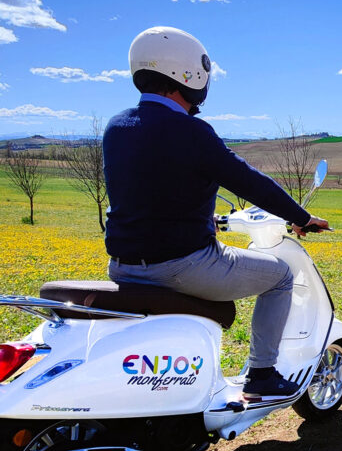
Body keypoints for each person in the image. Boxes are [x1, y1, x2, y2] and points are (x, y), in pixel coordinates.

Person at [103, 26, 329, 400]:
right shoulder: (191, 131)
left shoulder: (117, 127)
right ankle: (261, 374)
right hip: (182, 265)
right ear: (190, 74)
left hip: (123, 265)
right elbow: (249, 181)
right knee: (282, 277)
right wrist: (301, 218)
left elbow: (150, 187)